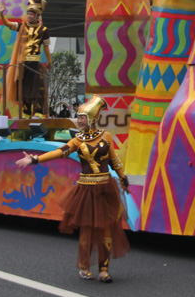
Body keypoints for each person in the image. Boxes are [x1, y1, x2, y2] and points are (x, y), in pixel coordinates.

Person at [15, 95, 129, 282]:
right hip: (87, 190)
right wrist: (35, 159)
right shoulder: (78, 140)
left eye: (82, 117)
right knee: (87, 230)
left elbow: (115, 161)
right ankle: (84, 267)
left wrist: (123, 178)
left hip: (105, 188)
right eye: (78, 117)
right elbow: (59, 152)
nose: (79, 121)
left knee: (107, 230)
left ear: (92, 119)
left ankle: (104, 270)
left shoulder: (106, 137)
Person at [0, 0, 51, 118]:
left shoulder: (44, 30)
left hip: (35, 64)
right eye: (28, 13)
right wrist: (2, 13)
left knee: (38, 88)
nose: (29, 16)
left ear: (37, 15)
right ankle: (26, 112)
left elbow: (46, 48)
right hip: (23, 63)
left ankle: (39, 112)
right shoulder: (22, 26)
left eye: (31, 14)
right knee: (24, 88)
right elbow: (8, 24)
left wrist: (49, 61)